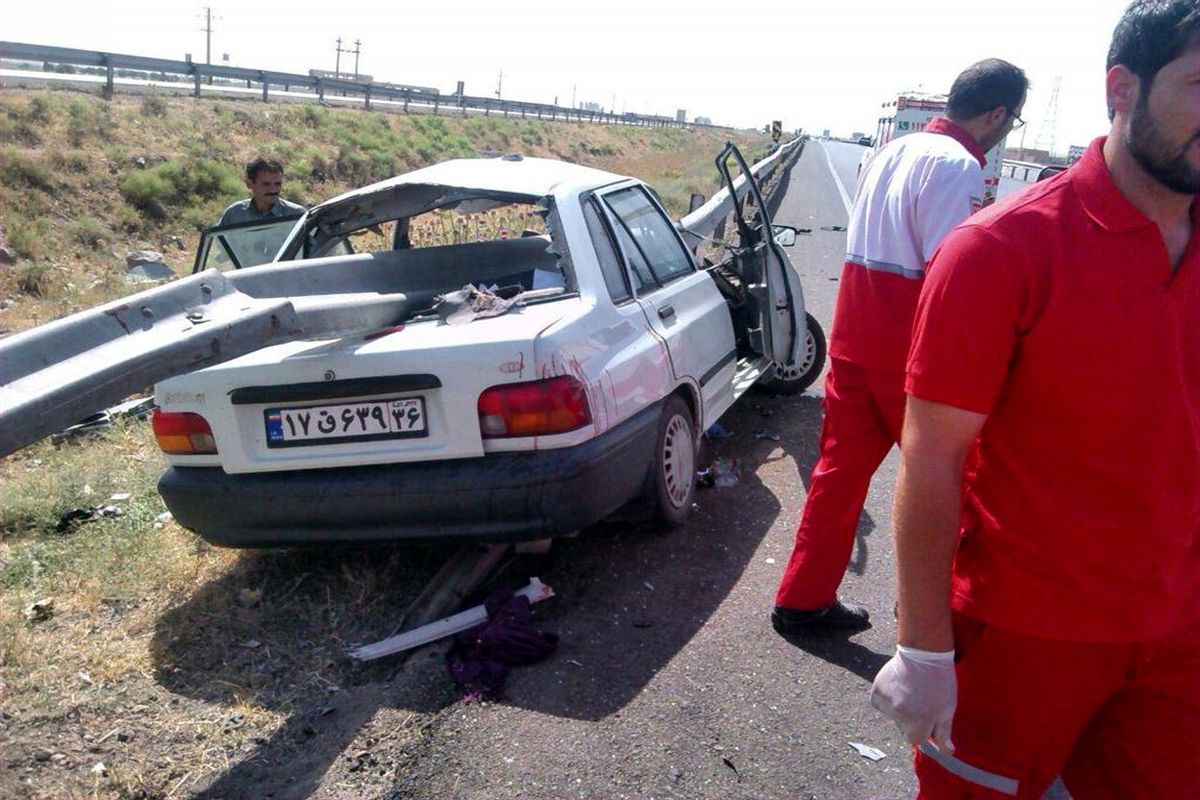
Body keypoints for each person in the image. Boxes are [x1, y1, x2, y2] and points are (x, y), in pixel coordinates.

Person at [871, 2, 1200, 796]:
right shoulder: (1000, 251)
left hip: (1180, 636)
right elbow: (933, 457)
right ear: (1122, 89)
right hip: (1023, 635)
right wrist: (923, 647)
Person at [772, 60, 1028, 636]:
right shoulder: (959, 167)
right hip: (908, 352)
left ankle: (802, 599)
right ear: (995, 114)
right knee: (952, 485)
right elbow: (950, 273)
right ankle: (935, 618)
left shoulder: (889, 152)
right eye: (1011, 120)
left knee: (838, 473)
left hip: (853, 337)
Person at [218, 156, 304, 226]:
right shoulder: (235, 214)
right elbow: (219, 244)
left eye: (277, 184)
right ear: (249, 183)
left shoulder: (296, 215)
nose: (273, 190)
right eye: (266, 184)